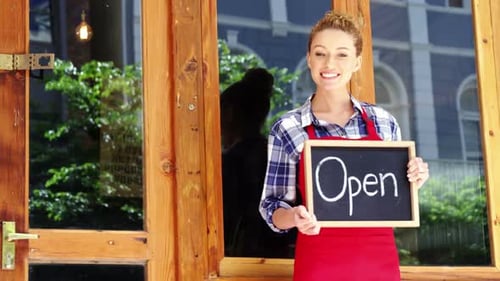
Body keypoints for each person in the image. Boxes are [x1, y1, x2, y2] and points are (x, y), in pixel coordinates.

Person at [258, 11, 430, 280]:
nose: (329, 63)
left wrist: (414, 178)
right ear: (309, 59)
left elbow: (394, 199)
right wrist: (294, 217)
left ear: (357, 62)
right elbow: (271, 207)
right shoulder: (288, 128)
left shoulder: (384, 123)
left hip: (380, 267)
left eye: (341, 54)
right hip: (319, 267)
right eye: (320, 53)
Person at [221, 68, 296, 257]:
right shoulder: (276, 154)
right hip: (279, 256)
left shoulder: (235, 159)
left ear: (229, 113)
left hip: (244, 257)